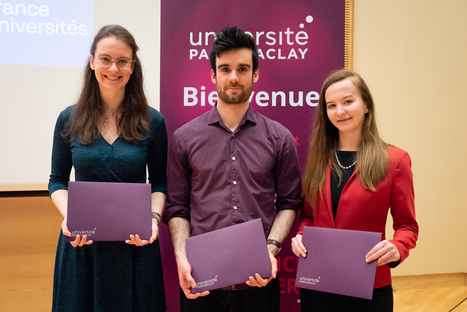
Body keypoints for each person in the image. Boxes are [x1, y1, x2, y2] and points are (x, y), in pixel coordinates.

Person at [163, 26, 303, 312]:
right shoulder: (184, 138)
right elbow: (177, 207)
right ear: (213, 75)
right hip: (202, 281)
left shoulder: (280, 138)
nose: (234, 77)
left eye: (242, 68)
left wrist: (271, 248)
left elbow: (290, 204)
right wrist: (181, 257)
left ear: (256, 74)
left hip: (258, 281)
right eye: (225, 69)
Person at [48, 25, 167, 311]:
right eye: (105, 59)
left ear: (132, 65)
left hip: (135, 248)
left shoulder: (153, 122)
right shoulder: (69, 118)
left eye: (122, 61)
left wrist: (152, 219)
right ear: (92, 61)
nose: (113, 68)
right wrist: (71, 217)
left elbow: (160, 183)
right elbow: (57, 181)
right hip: (82, 246)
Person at [291, 69, 419, 311]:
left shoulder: (395, 160)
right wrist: (300, 235)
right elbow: (308, 216)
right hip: (318, 283)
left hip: (370, 285)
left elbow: (408, 227)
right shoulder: (318, 159)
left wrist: (397, 247)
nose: (340, 111)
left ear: (366, 105)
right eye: (331, 105)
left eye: (348, 101)